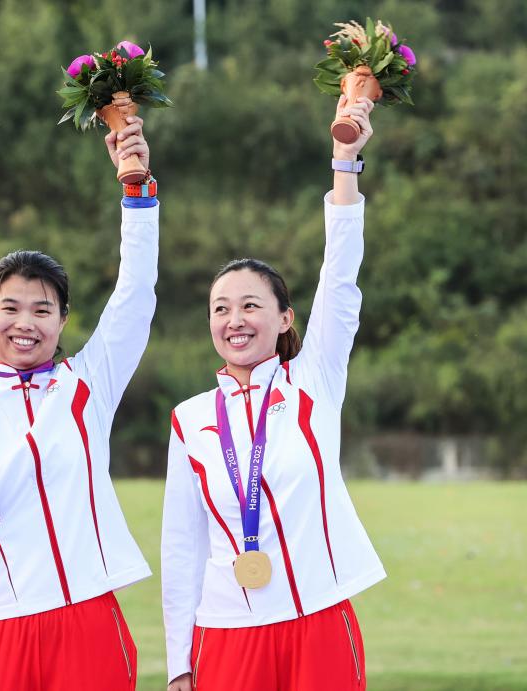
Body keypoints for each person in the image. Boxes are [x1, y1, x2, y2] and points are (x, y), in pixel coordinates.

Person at [0, 117, 157, 690]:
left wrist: (137, 190)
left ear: (63, 320)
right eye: (11, 308)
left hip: (88, 616)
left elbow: (136, 293)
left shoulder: (87, 383)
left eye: (42, 311)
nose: (25, 323)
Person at [161, 94, 385, 691]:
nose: (234, 320)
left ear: (285, 318)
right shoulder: (189, 419)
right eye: (220, 309)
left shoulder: (313, 381)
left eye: (250, 306)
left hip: (317, 619)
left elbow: (340, 276)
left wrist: (344, 163)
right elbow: (181, 546)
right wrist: (179, 662)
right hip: (226, 634)